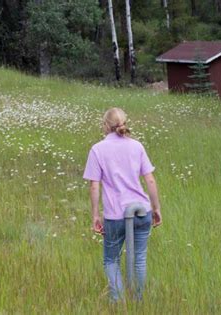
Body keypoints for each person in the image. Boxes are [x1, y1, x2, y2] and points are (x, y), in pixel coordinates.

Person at [83, 107, 162, 302]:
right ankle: (138, 299)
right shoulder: (137, 146)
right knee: (139, 259)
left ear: (105, 126)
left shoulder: (97, 149)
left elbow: (94, 186)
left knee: (111, 259)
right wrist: (156, 207)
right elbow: (150, 180)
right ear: (125, 123)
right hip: (142, 211)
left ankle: (118, 301)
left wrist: (95, 215)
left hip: (115, 215)